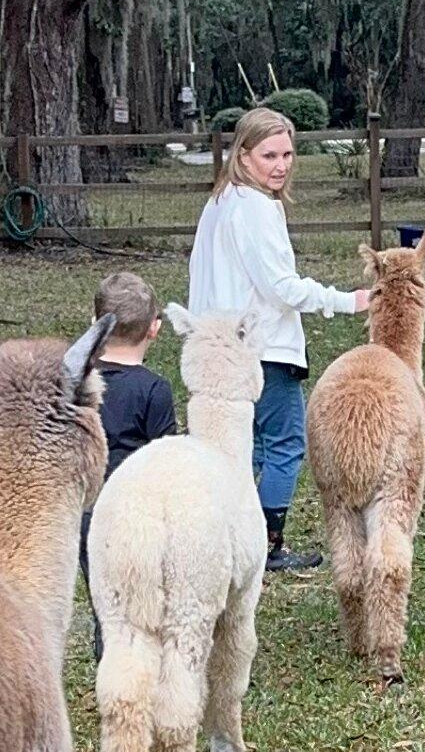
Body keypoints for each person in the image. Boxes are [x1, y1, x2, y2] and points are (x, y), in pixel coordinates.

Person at [186, 104, 370, 571]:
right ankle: (265, 544)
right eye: (269, 155)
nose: (281, 165)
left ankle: (226, 535)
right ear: (243, 155)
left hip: (220, 345)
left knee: (241, 446)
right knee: (286, 443)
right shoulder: (257, 210)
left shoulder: (220, 203)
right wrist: (347, 300)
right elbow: (281, 286)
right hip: (261, 347)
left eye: (287, 154)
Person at [64, 272, 177, 652]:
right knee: (149, 603)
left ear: (93, 326)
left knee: (106, 609)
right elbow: (165, 461)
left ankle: (111, 674)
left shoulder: (76, 388)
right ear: (154, 329)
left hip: (88, 514)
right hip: (142, 517)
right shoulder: (154, 390)